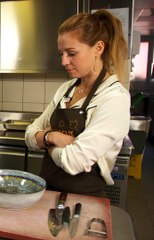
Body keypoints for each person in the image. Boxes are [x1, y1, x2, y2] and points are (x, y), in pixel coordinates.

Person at [25, 10, 130, 197]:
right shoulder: (66, 89)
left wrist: (45, 140)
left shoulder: (114, 98)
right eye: (61, 54)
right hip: (46, 193)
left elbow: (73, 162)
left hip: (84, 199)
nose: (64, 61)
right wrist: (53, 137)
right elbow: (29, 135)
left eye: (71, 53)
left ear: (98, 48)